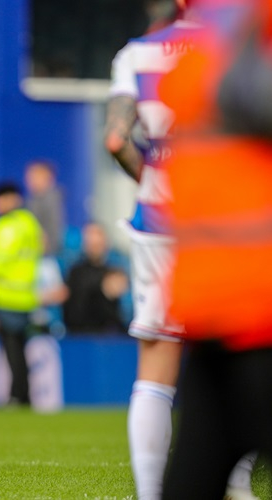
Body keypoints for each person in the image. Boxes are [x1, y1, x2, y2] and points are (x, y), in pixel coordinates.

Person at [104, 1, 257, 497]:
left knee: (156, 364)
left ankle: (152, 493)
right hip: (236, 220)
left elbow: (115, 140)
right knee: (239, 353)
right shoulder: (241, 43)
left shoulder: (137, 54)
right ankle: (238, 486)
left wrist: (151, 178)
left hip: (159, 219)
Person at [153, 1, 267, 497]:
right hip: (245, 301)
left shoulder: (206, 45)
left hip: (222, 299)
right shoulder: (240, 35)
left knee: (194, 474)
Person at [0, 182, 43, 406]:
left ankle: (18, 396)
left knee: (13, 351)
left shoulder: (8, 226)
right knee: (19, 350)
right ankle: (22, 395)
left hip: (6, 297)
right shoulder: (29, 222)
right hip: (24, 296)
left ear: (12, 199)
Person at [62, 223, 128, 334]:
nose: (94, 245)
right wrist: (103, 288)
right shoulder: (76, 272)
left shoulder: (114, 272)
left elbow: (118, 315)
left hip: (108, 336)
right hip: (79, 335)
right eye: (91, 242)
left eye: (98, 243)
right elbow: (75, 310)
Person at [24, 161, 65, 255]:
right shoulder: (31, 200)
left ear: (48, 178)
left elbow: (53, 232)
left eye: (35, 176)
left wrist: (47, 248)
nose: (30, 181)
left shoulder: (51, 200)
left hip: (45, 256)